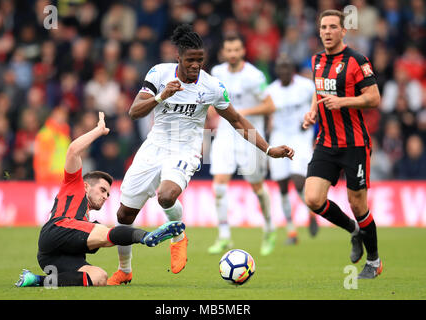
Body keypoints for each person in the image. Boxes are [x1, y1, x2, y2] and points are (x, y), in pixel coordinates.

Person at [108, 24, 294, 285]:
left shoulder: (212, 86)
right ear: (178, 58)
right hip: (154, 146)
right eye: (190, 60)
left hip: (186, 149)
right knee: (123, 216)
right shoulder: (159, 74)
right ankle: (124, 270)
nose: (195, 65)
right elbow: (134, 111)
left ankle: (178, 235)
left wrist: (268, 149)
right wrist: (162, 96)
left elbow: (238, 121)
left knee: (167, 195)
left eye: (200, 60)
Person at [15, 112, 186, 287]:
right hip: (57, 229)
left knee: (99, 277)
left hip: (52, 258)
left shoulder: (86, 217)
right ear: (87, 186)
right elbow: (73, 151)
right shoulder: (74, 184)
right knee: (104, 232)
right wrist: (98, 131)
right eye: (102, 190)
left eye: (107, 194)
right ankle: (147, 237)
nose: (105, 197)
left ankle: (36, 280)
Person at [302, 10, 382, 279]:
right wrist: (313, 111)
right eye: (323, 27)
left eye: (332, 27)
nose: (326, 31)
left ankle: (374, 261)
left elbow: (373, 98)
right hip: (326, 141)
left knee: (358, 205)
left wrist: (344, 101)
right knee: (312, 198)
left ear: (343, 31)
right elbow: (319, 91)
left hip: (354, 143)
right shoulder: (316, 60)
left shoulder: (357, 60)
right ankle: (353, 230)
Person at [207, 34, 276, 256]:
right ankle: (224, 235)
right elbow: (211, 100)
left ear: (243, 51)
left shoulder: (254, 76)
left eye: (237, 50)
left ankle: (269, 227)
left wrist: (242, 113)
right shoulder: (217, 73)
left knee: (257, 186)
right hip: (226, 133)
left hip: (249, 133)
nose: (233, 54)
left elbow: (269, 105)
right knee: (219, 183)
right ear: (223, 53)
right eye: (229, 50)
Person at [257, 54, 318, 244]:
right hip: (279, 137)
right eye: (281, 68)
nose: (284, 71)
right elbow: (266, 113)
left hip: (300, 137)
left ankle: (311, 211)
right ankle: (291, 230)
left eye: (287, 67)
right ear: (277, 71)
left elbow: (318, 103)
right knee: (282, 185)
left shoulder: (306, 86)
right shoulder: (271, 91)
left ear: (293, 70)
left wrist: (311, 119)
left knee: (298, 181)